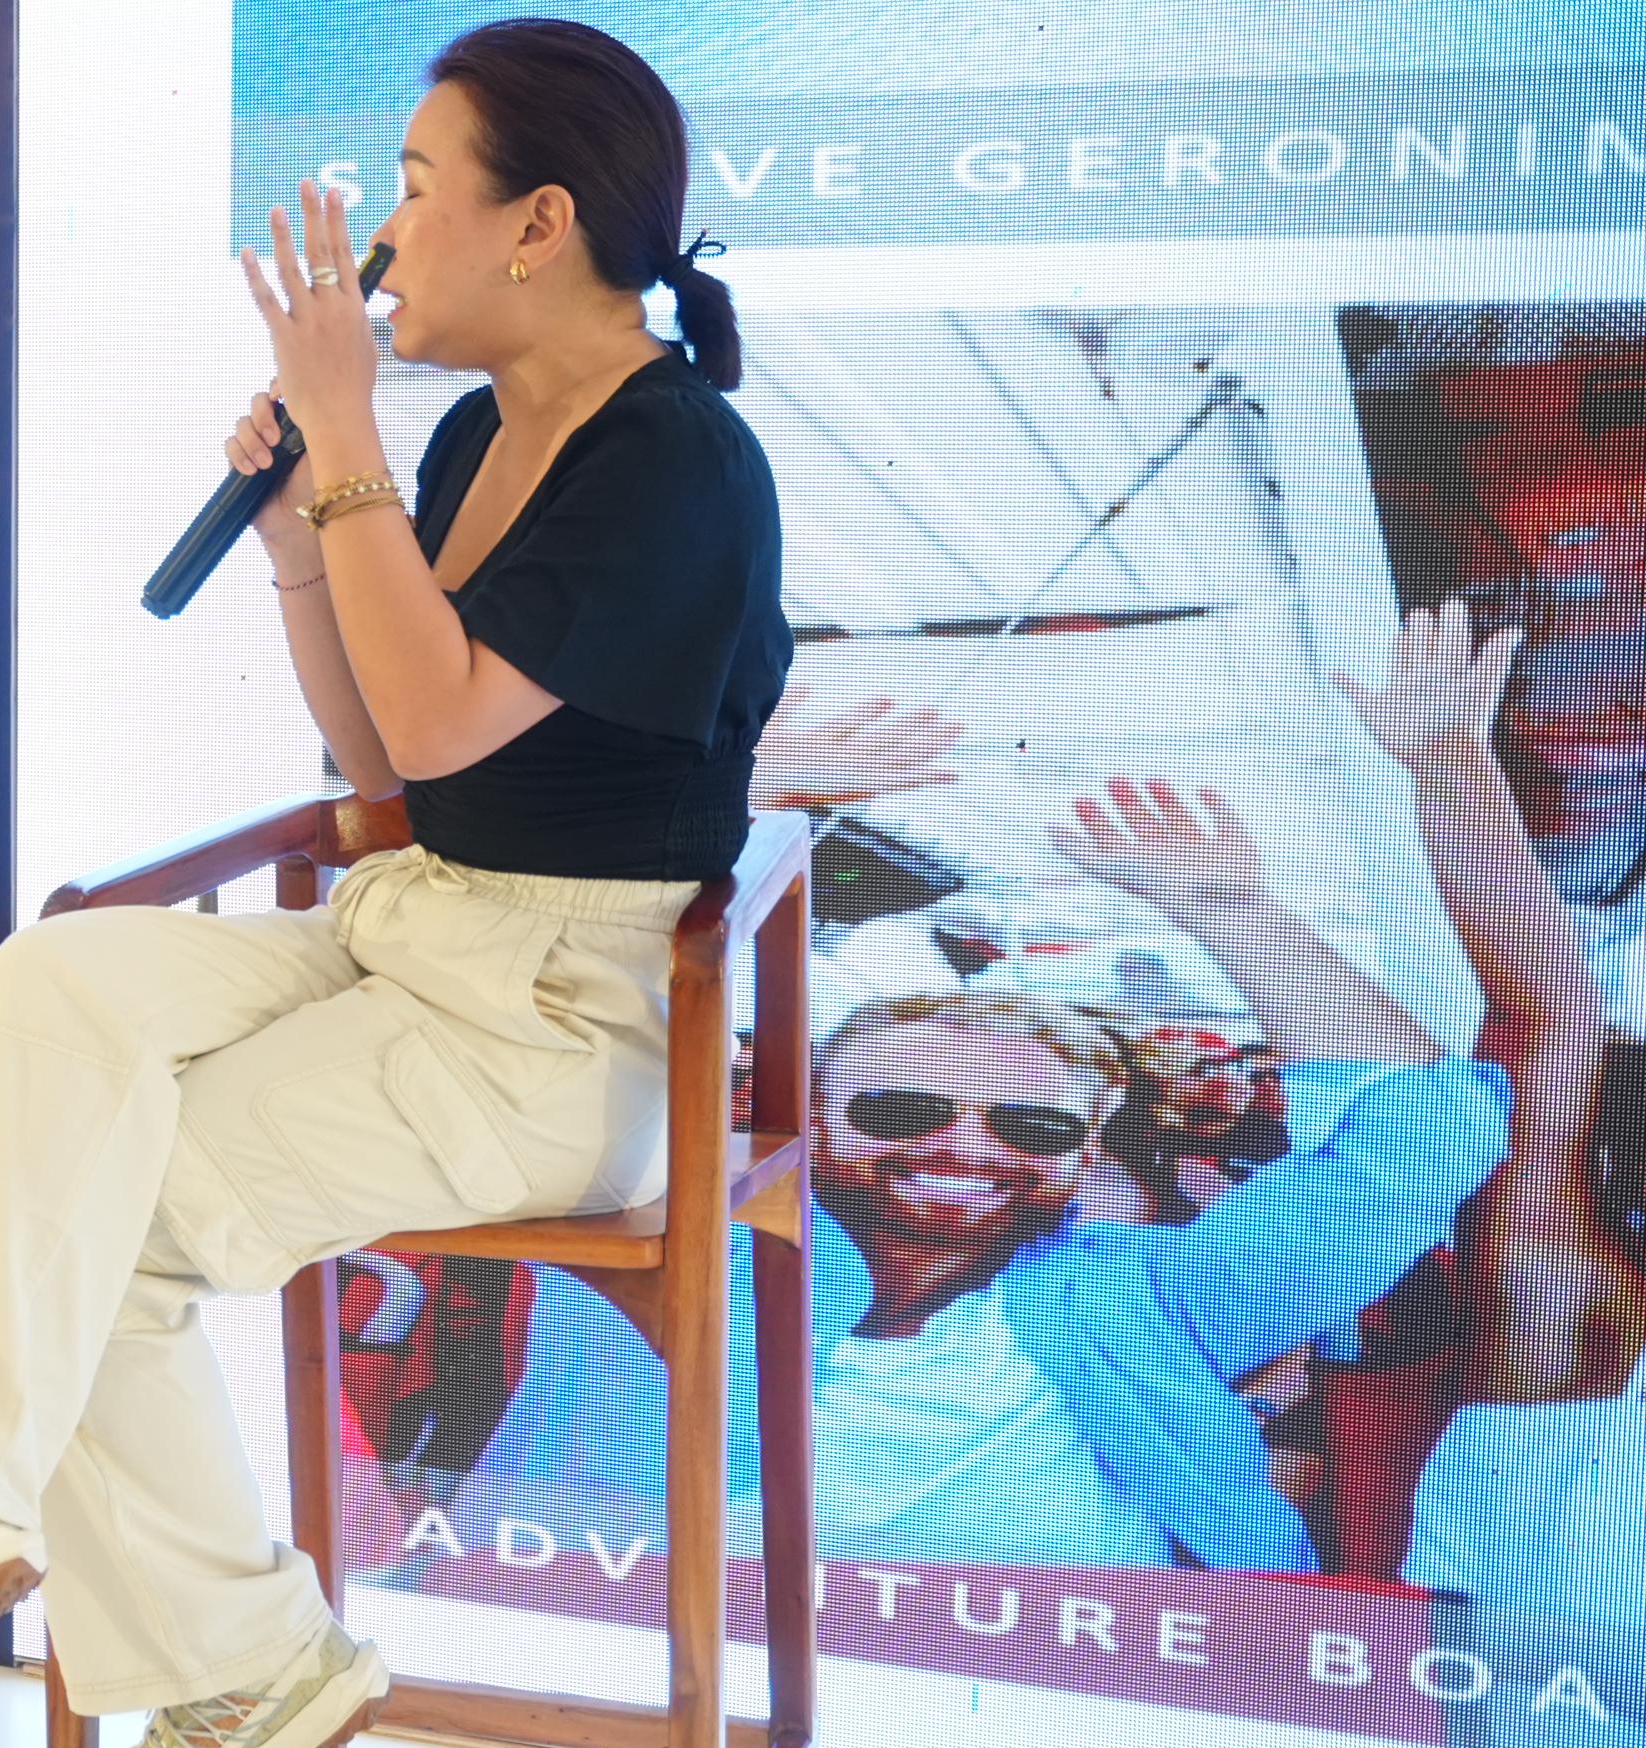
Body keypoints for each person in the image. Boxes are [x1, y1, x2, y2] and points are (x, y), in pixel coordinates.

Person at [0, 18, 787, 1748]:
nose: (384, 238)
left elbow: (434, 722)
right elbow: (384, 765)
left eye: (416, 187)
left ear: (540, 224)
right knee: (55, 981)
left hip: (561, 1024)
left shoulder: (673, 459)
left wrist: (342, 428)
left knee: (102, 1223)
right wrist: (299, 536)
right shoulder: (478, 436)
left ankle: (241, 1651)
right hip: (414, 927)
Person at [475, 778, 1511, 1569]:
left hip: (1069, 1722)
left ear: (1084, 1150)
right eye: (901, 1111)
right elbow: (513, 1022)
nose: (964, 1147)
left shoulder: (1146, 1299)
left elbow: (1419, 1142)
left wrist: (1227, 904)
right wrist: (745, 797)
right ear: (812, 1121)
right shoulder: (672, 1237)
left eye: (1029, 1125)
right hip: (638, 1681)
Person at [1355, 606, 1646, 1629]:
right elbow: (1548, 1023)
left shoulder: (1566, 1330)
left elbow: (1549, 1022)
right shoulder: (1566, 1327)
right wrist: (1446, 762)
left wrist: (1448, 764)